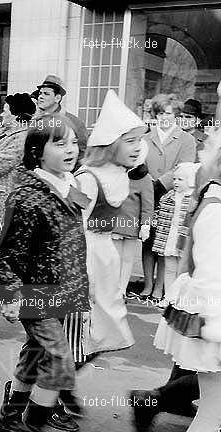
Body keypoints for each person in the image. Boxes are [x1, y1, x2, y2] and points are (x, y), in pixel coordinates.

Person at [0, 114, 90, 432]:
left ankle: (10, 416)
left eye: (74, 142)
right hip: (35, 293)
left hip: (64, 292)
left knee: (35, 353)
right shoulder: (27, 197)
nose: (70, 149)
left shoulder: (69, 187)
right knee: (59, 359)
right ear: (36, 150)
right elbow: (7, 252)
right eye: (59, 142)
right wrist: (9, 295)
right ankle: (31, 429)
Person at [152, 144, 221, 432]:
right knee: (215, 413)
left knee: (216, 412)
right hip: (218, 319)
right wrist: (219, 329)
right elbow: (210, 277)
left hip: (218, 318)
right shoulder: (218, 209)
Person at [72, 90, 146, 360]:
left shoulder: (120, 175)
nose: (138, 147)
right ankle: (37, 390)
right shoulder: (88, 178)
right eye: (130, 141)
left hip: (105, 256)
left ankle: (53, 387)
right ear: (111, 143)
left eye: (139, 140)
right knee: (79, 330)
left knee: (103, 330)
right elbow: (74, 226)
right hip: (87, 256)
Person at [140, 93, 196, 299]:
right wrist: (147, 185)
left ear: (176, 115)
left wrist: (160, 183)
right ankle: (147, 284)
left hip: (172, 196)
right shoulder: (145, 137)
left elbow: (185, 166)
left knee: (165, 244)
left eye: (169, 113)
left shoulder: (187, 139)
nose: (165, 117)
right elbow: (139, 164)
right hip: (147, 194)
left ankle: (159, 287)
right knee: (147, 240)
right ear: (155, 114)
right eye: (161, 113)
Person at [151, 163, 200, 305]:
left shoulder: (193, 200)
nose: (176, 182)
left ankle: (178, 298)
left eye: (180, 179)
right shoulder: (168, 197)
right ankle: (168, 297)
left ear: (190, 181)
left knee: (181, 269)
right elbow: (159, 213)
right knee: (169, 267)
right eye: (175, 179)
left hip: (183, 238)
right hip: (169, 236)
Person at [0, 92, 36, 225]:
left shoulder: (21, 138)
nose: (1, 114)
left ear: (16, 116)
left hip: (1, 198)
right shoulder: (4, 133)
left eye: (5, 111)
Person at [113, 143, 154, 299]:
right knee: (114, 257)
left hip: (131, 225)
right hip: (115, 223)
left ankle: (122, 288)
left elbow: (148, 205)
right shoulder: (116, 172)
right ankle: (112, 287)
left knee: (128, 258)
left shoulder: (145, 178)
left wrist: (146, 225)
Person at [34, 74, 88, 158]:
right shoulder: (33, 120)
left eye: (46, 94)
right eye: (40, 93)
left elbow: (81, 155)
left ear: (57, 98)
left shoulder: (75, 123)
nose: (40, 96)